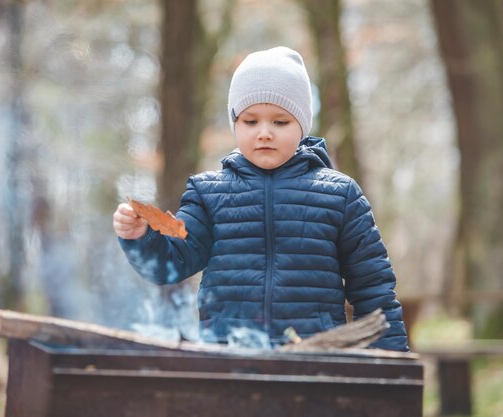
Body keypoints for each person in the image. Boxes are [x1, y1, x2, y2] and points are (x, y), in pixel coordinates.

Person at [113, 46, 408, 351]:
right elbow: (170, 264)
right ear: (235, 124)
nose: (264, 133)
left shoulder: (339, 195)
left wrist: (391, 371)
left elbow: (374, 289)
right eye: (250, 122)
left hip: (315, 359)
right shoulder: (208, 193)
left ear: (302, 125)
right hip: (229, 358)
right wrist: (140, 238)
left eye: (280, 122)